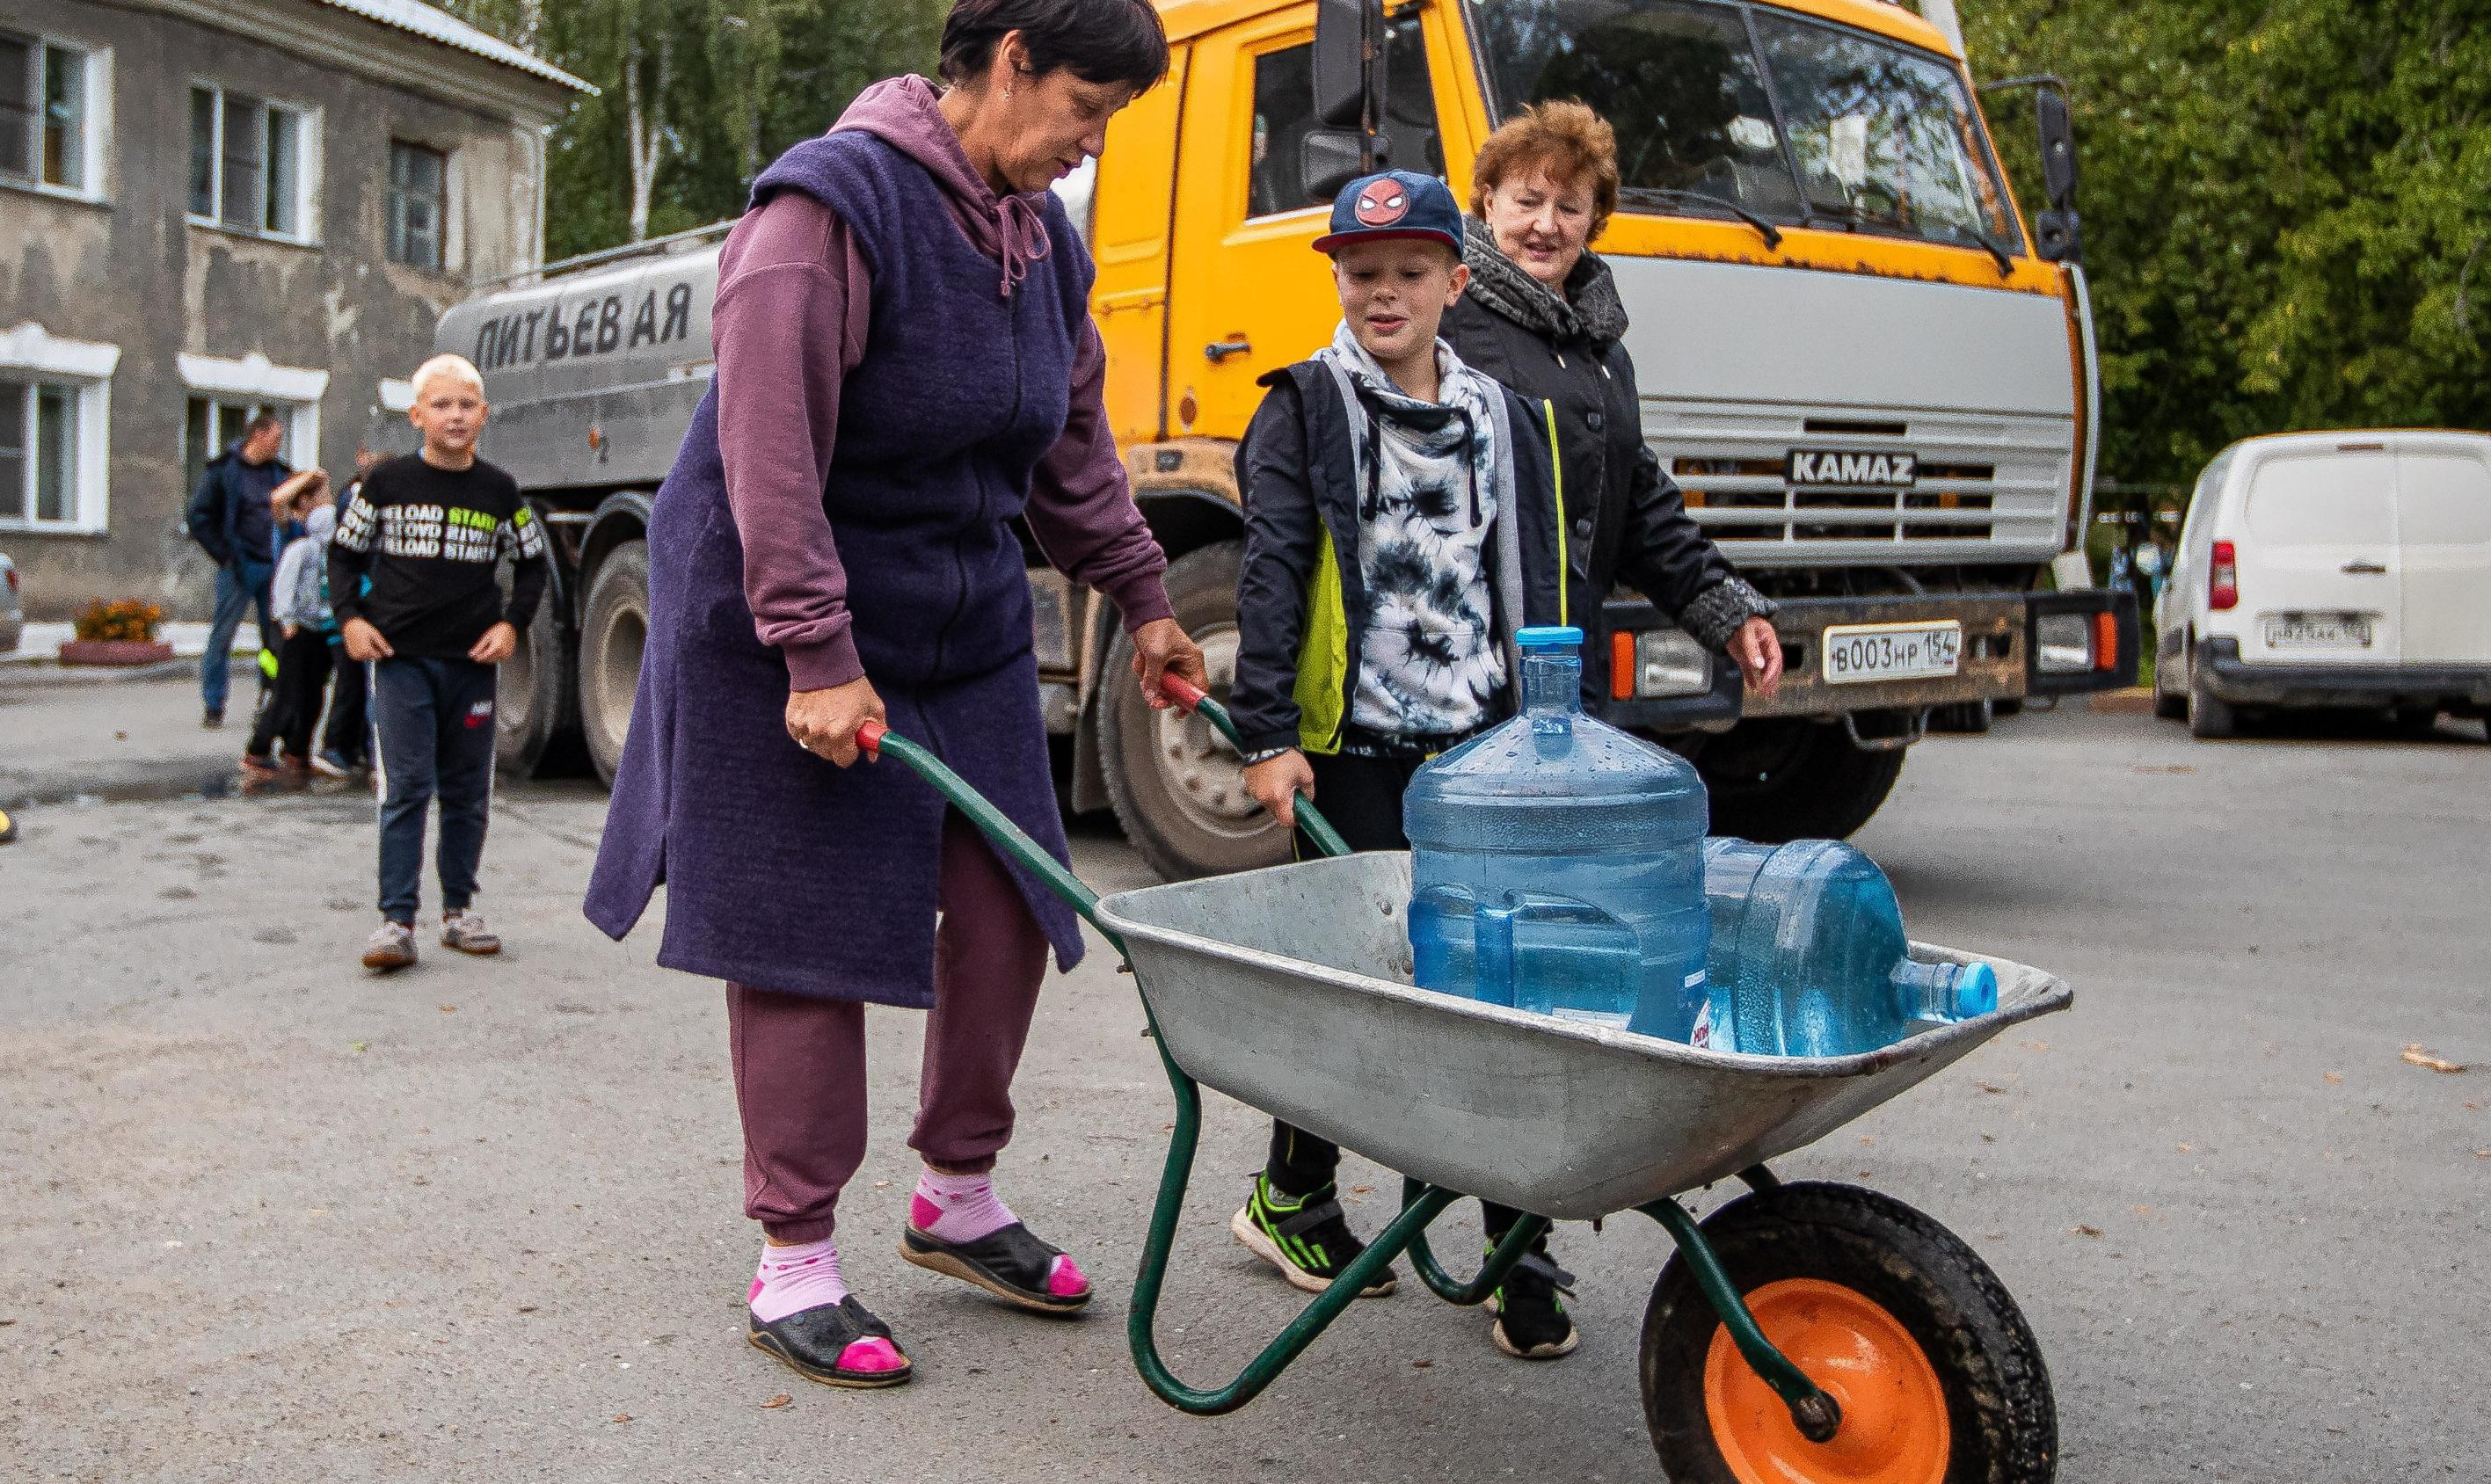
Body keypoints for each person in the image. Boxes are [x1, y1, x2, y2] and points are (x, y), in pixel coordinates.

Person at [582, 0, 1201, 1393]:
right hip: (779, 606)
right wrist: (812, 651)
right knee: (808, 925)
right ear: (1008, 60)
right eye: (1086, 111)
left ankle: (956, 1195)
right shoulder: (829, 208)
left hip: (958, 615)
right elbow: (768, 454)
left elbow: (1071, 447)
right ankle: (793, 1256)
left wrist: (1147, 600)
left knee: (1009, 896)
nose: (1091, 147)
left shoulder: (1042, 242)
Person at [1223, 164, 1780, 1363]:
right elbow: (1272, 577)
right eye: (1362, 274)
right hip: (1351, 745)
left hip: (1483, 751)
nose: (1385, 294)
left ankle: (1518, 1250)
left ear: (1453, 280)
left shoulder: (1503, 416)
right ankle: (1294, 1195)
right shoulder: (1304, 407)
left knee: (1512, 990)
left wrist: (1554, 725)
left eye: (1410, 273)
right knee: (1362, 984)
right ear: (1336, 278)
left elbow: (1539, 571)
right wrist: (1265, 736)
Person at [1441, 101, 1783, 697]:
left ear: (1593, 220)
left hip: (1572, 664)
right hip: (1466, 677)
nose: (1547, 225)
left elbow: (1637, 501)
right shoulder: (1444, 320)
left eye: (1569, 208)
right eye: (1527, 202)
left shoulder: (1601, 350)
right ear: (1488, 201)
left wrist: (1729, 611)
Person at [330, 355, 548, 972]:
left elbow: (531, 564)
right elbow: (344, 555)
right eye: (442, 405)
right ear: (417, 415)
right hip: (401, 662)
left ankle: (459, 911)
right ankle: (395, 922)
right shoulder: (387, 484)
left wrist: (512, 625)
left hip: (471, 665)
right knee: (405, 789)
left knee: (466, 792)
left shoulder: (500, 490)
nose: (455, 416)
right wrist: (351, 620)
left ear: (483, 415)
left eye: (466, 405)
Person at [185, 412, 292, 729]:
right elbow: (198, 517)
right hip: (237, 568)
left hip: (272, 567)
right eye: (276, 437)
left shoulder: (279, 473)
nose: (280, 443)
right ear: (257, 435)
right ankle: (214, 703)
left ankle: (268, 695)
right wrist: (225, 556)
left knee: (273, 641)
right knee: (222, 636)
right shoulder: (224, 471)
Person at [247, 497, 341, 776]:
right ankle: (259, 749)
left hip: (322, 628)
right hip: (296, 627)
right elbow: (283, 585)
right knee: (287, 692)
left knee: (313, 694)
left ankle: (298, 749)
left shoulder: (337, 556)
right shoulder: (302, 550)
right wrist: (286, 620)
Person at [317, 447, 387, 777]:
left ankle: (362, 753)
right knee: (365, 687)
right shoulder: (363, 512)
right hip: (365, 612)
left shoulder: (357, 507)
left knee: (361, 687)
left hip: (359, 612)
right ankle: (370, 757)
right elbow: (347, 561)